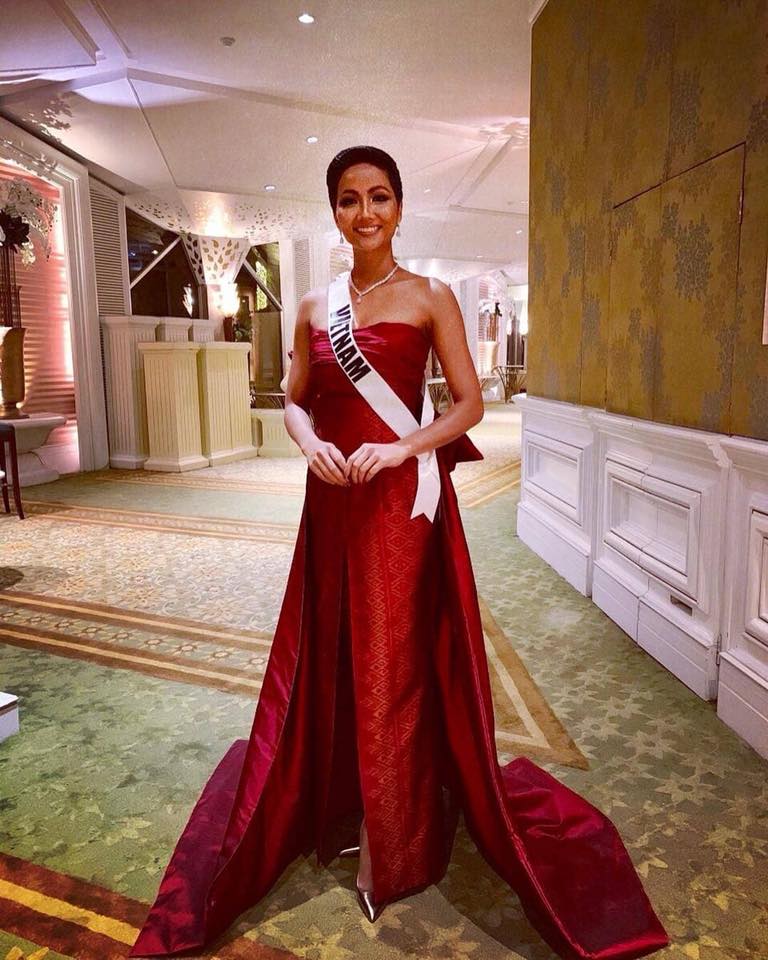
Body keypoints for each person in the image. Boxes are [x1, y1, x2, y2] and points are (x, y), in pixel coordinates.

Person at [130, 146, 669, 959]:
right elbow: (294, 401)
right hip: (332, 502)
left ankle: (395, 845)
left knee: (394, 663)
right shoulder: (313, 305)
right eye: (349, 199)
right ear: (335, 212)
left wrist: (402, 446)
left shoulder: (429, 297)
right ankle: (340, 799)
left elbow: (470, 404)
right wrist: (309, 442)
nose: (365, 212)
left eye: (379, 197)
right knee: (332, 653)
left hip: (401, 504)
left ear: (400, 207)